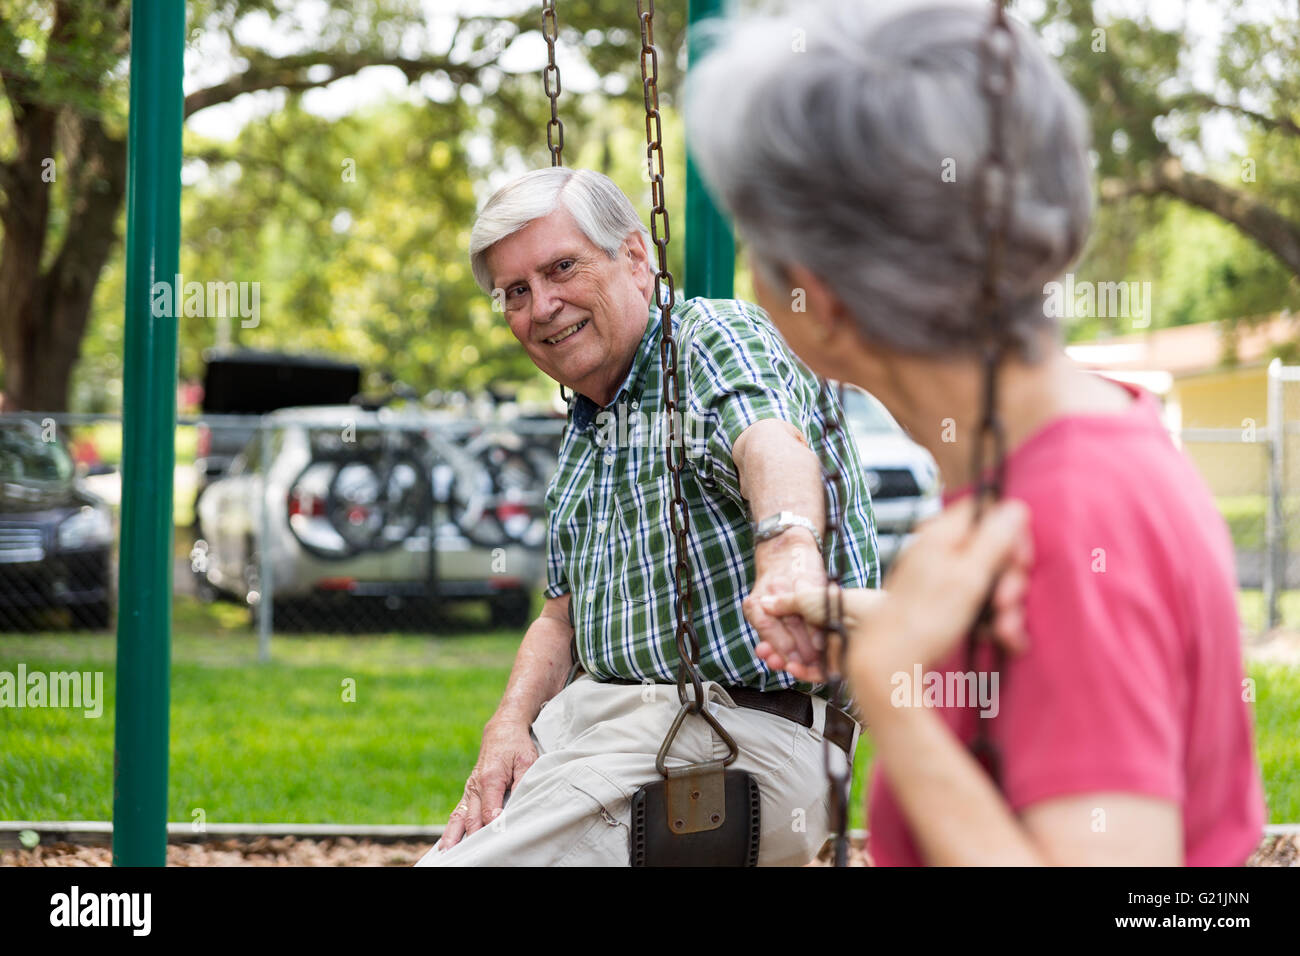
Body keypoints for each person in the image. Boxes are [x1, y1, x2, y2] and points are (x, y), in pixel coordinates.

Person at [684, 0, 1267, 865]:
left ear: (821, 295)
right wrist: (891, 629)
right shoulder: (1089, 442)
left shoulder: (1070, 522)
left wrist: (895, 704)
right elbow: (1063, 680)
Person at [415, 166, 880, 866]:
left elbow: (767, 439)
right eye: (516, 291)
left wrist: (788, 552)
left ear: (636, 258)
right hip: (609, 725)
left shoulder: (709, 339)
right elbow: (558, 619)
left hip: (728, 732)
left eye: (561, 267)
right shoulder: (588, 430)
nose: (541, 306)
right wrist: (508, 725)